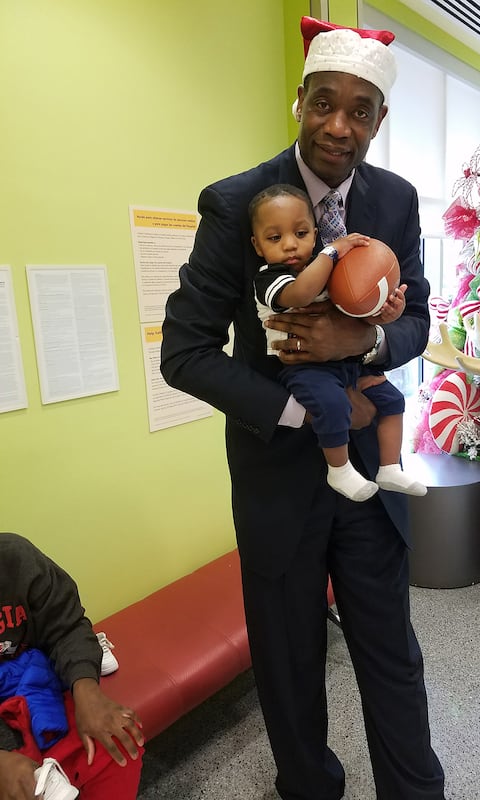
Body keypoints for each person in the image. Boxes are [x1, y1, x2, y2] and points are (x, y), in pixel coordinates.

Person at [161, 14, 445, 800]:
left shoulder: (393, 199)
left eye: (360, 111)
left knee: (392, 648)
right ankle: (310, 788)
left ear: (379, 121)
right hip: (278, 479)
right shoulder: (236, 203)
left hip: (368, 477)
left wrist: (365, 352)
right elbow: (182, 353)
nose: (339, 126)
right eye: (325, 103)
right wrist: (307, 414)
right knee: (287, 664)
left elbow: (418, 315)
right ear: (299, 100)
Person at [251, 183, 427, 501]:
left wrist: (386, 313)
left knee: (392, 399)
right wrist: (332, 252)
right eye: (275, 238)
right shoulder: (270, 277)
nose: (290, 245)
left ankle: (389, 468)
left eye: (301, 234)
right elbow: (302, 293)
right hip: (304, 368)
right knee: (332, 406)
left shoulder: (321, 271)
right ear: (258, 245)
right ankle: (340, 471)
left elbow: (352, 315)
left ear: (315, 232)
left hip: (346, 363)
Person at [0, 532, 144, 800]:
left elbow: (66, 627)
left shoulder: (15, 557)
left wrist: (86, 690)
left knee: (115, 741)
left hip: (34, 684)